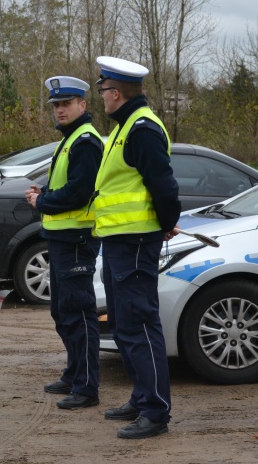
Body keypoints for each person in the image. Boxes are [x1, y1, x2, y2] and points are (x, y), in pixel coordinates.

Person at [92, 56, 180, 439]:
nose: (102, 99)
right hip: (118, 241)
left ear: (115, 93)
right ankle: (142, 396)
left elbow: (165, 186)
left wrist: (164, 224)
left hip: (135, 242)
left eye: (102, 91)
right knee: (125, 324)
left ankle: (155, 411)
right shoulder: (125, 128)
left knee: (139, 324)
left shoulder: (141, 129)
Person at [25, 76, 104, 411]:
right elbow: (67, 185)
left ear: (82, 105)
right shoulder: (71, 139)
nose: (60, 110)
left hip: (76, 239)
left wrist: (42, 202)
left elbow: (79, 192)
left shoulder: (85, 140)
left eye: (66, 104)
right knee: (62, 311)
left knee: (79, 313)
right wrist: (44, 194)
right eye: (56, 105)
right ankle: (74, 374)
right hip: (62, 238)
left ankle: (87, 387)